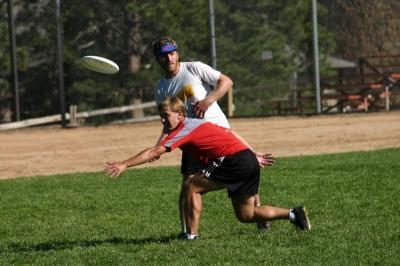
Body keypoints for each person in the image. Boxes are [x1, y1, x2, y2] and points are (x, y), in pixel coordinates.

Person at [105, 97, 311, 240]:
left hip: (234, 160)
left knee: (192, 185)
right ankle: (294, 214)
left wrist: (125, 164)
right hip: (245, 159)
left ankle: (191, 236)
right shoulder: (196, 123)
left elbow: (154, 151)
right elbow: (230, 132)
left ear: (180, 115)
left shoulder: (183, 128)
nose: (162, 120)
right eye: (160, 115)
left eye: (165, 115)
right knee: (246, 215)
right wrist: (252, 155)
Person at [151, 36, 269, 235]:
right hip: (191, 140)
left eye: (172, 53)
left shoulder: (194, 68)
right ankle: (186, 232)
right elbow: (168, 120)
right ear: (158, 59)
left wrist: (207, 101)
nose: (169, 58)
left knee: (245, 173)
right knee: (187, 184)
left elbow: (226, 81)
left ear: (177, 53)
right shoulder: (160, 88)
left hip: (219, 135)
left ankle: (260, 215)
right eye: (163, 56)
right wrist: (158, 146)